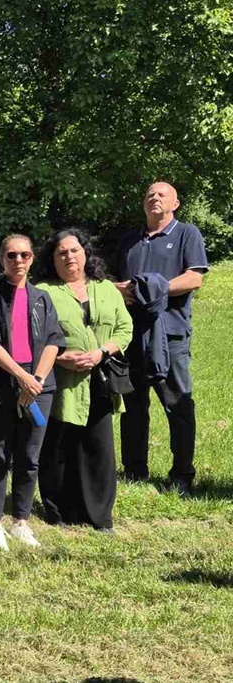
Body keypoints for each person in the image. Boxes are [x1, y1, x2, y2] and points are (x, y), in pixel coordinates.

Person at [115, 182, 208, 496]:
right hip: (130, 335)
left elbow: (194, 278)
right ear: (143, 204)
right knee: (132, 405)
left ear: (175, 203)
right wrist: (119, 289)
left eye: (162, 194)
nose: (154, 197)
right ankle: (134, 471)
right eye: (149, 194)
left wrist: (154, 288)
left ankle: (182, 475)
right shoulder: (129, 241)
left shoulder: (186, 234)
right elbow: (112, 280)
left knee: (177, 405)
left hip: (170, 335)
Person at [36, 230, 132, 532]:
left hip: (100, 378)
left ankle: (99, 515)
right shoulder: (43, 291)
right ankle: (58, 512)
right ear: (52, 260)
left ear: (86, 253)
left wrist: (101, 352)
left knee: (98, 447)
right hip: (60, 381)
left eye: (74, 250)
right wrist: (60, 357)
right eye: (61, 252)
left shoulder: (106, 288)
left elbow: (125, 328)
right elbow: (35, 335)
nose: (69, 257)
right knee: (58, 447)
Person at [0, 235, 64, 551]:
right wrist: (22, 377)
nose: (18, 261)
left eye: (25, 255)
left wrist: (35, 380)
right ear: (2, 259)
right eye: (12, 255)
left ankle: (21, 521)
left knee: (29, 456)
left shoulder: (42, 298)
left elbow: (53, 341)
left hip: (39, 386)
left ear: (32, 258)